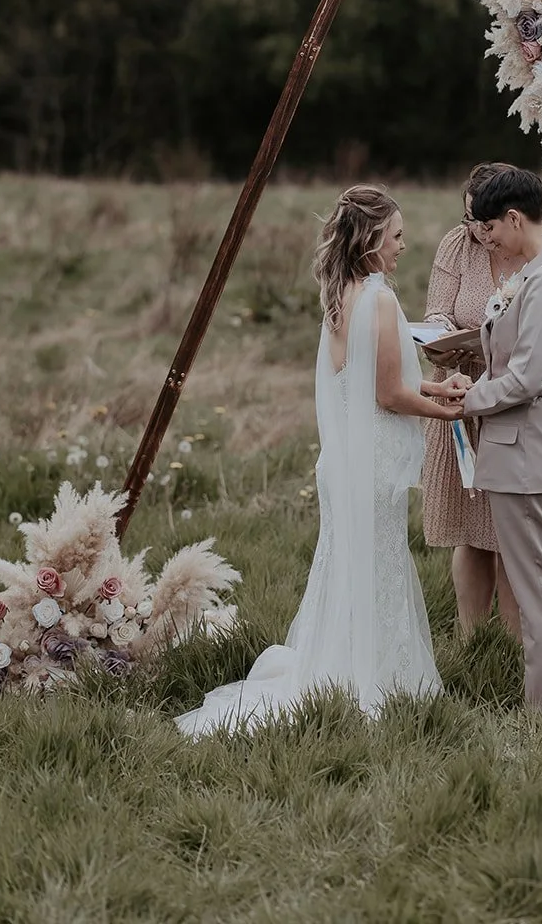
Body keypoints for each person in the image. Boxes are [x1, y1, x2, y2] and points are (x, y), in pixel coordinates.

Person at [176, 185, 466, 737]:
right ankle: (376, 679)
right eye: (398, 236)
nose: (405, 245)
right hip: (372, 462)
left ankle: (347, 671)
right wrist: (446, 412)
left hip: (345, 463)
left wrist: (437, 390)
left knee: (351, 570)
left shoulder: (342, 293)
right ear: (374, 238)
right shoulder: (380, 299)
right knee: (376, 568)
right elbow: (387, 395)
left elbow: (371, 380)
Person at [422, 163, 542, 636]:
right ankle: (471, 638)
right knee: (472, 527)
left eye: (484, 221)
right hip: (463, 386)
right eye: (469, 221)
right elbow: (436, 306)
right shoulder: (458, 246)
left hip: (521, 399)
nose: (477, 231)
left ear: (508, 215)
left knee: (515, 531)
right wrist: (449, 337)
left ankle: (521, 643)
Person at [461, 166, 542, 711]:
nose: (487, 239)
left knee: (537, 582)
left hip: (525, 445)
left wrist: (463, 399)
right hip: (531, 442)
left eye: (490, 229)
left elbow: (524, 380)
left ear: (514, 218)